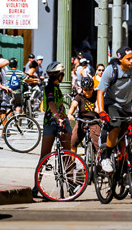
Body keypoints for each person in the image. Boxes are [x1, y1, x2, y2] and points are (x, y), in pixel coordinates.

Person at [33, 61, 73, 197]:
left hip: (55, 123)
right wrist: (58, 118)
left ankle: (72, 184)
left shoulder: (55, 87)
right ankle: (37, 185)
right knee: (52, 155)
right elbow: (51, 104)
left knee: (67, 155)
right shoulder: (50, 88)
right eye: (62, 74)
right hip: (54, 122)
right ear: (59, 75)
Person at [68, 76, 100, 155]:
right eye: (85, 90)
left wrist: (98, 110)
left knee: (98, 146)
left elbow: (99, 105)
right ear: (82, 89)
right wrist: (70, 114)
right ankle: (72, 164)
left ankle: (98, 165)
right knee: (72, 142)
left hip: (94, 122)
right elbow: (74, 105)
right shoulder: (80, 96)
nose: (88, 92)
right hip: (82, 122)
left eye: (90, 89)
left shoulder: (96, 95)